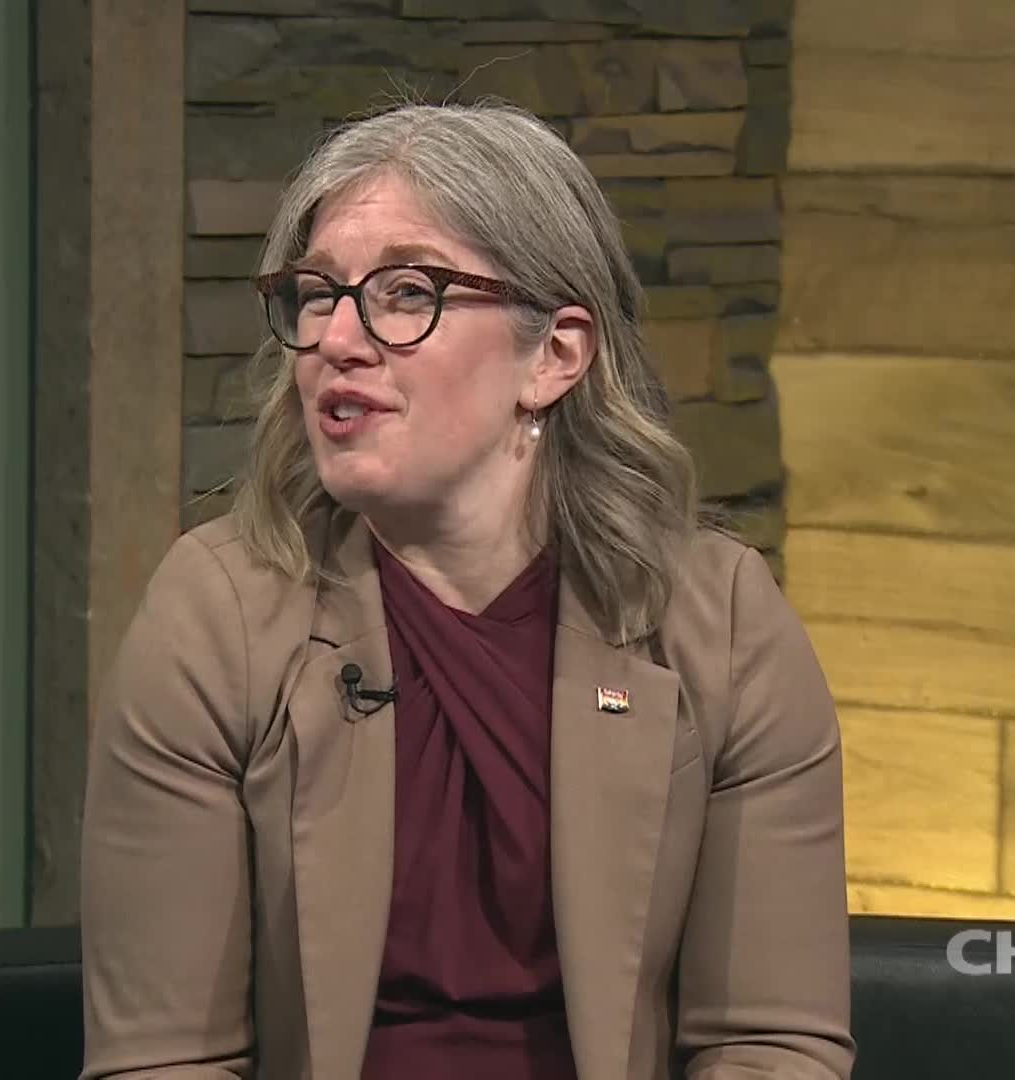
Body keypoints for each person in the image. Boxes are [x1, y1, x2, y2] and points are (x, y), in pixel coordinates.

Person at [78, 100, 854, 1080]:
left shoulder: (723, 626)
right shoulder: (216, 617)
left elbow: (769, 1044)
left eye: (407, 292)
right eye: (317, 295)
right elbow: (161, 1062)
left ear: (553, 356)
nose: (337, 341)